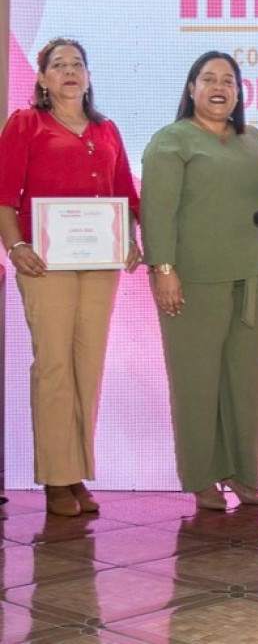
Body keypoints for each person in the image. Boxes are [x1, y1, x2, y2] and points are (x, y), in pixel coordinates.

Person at [0, 38, 141, 516]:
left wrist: (131, 239)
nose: (69, 72)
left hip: (100, 265)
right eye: (57, 65)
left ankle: (76, 472)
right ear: (42, 78)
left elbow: (125, 196)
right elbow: (4, 196)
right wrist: (15, 246)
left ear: (88, 73)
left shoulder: (106, 129)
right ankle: (56, 478)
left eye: (77, 63)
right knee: (54, 366)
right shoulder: (26, 123)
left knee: (87, 366)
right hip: (44, 263)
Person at [140, 51, 258, 511]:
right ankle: (201, 477)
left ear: (239, 92)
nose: (220, 87)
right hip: (191, 281)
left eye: (229, 80)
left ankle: (243, 475)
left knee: (248, 382)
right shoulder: (171, 141)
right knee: (196, 382)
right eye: (209, 79)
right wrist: (164, 270)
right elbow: (157, 211)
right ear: (192, 88)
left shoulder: (254, 140)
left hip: (249, 279)